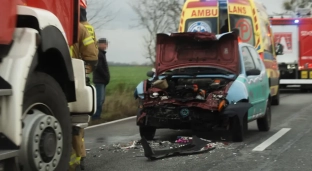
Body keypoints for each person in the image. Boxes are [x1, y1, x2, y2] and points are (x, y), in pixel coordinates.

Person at [69, 0, 98, 170]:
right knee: (76, 125)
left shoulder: (79, 28)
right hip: (76, 78)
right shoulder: (86, 28)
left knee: (74, 125)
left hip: (71, 77)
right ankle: (77, 161)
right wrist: (84, 72)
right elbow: (92, 56)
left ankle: (76, 161)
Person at [92, 38, 110, 120]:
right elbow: (99, 67)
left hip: (102, 81)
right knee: (99, 100)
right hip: (99, 80)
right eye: (105, 44)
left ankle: (98, 116)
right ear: (100, 44)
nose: (106, 46)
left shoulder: (102, 53)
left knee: (101, 100)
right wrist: (105, 76)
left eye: (106, 44)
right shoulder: (99, 53)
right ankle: (95, 116)